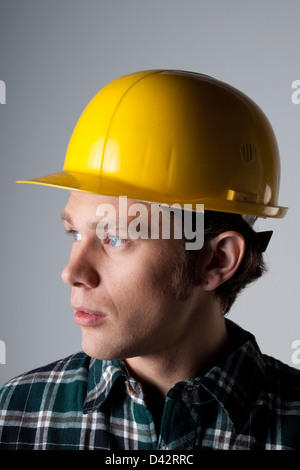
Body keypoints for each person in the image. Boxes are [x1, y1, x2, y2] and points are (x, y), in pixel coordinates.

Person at [0, 70, 299, 451]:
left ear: (216, 260)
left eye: (115, 237)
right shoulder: (12, 417)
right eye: (75, 233)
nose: (72, 272)